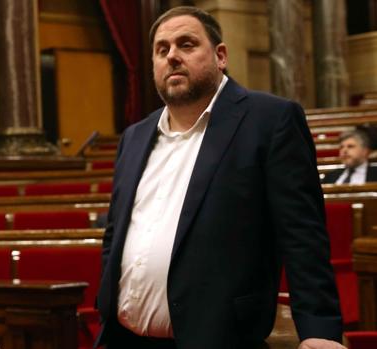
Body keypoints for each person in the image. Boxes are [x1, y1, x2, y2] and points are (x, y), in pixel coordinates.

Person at [96, 6, 344, 349]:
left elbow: (302, 234)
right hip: (125, 339)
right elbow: (117, 233)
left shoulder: (270, 120)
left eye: (186, 44)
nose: (172, 57)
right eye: (162, 49)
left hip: (220, 338)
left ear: (221, 56)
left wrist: (320, 330)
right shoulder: (135, 136)